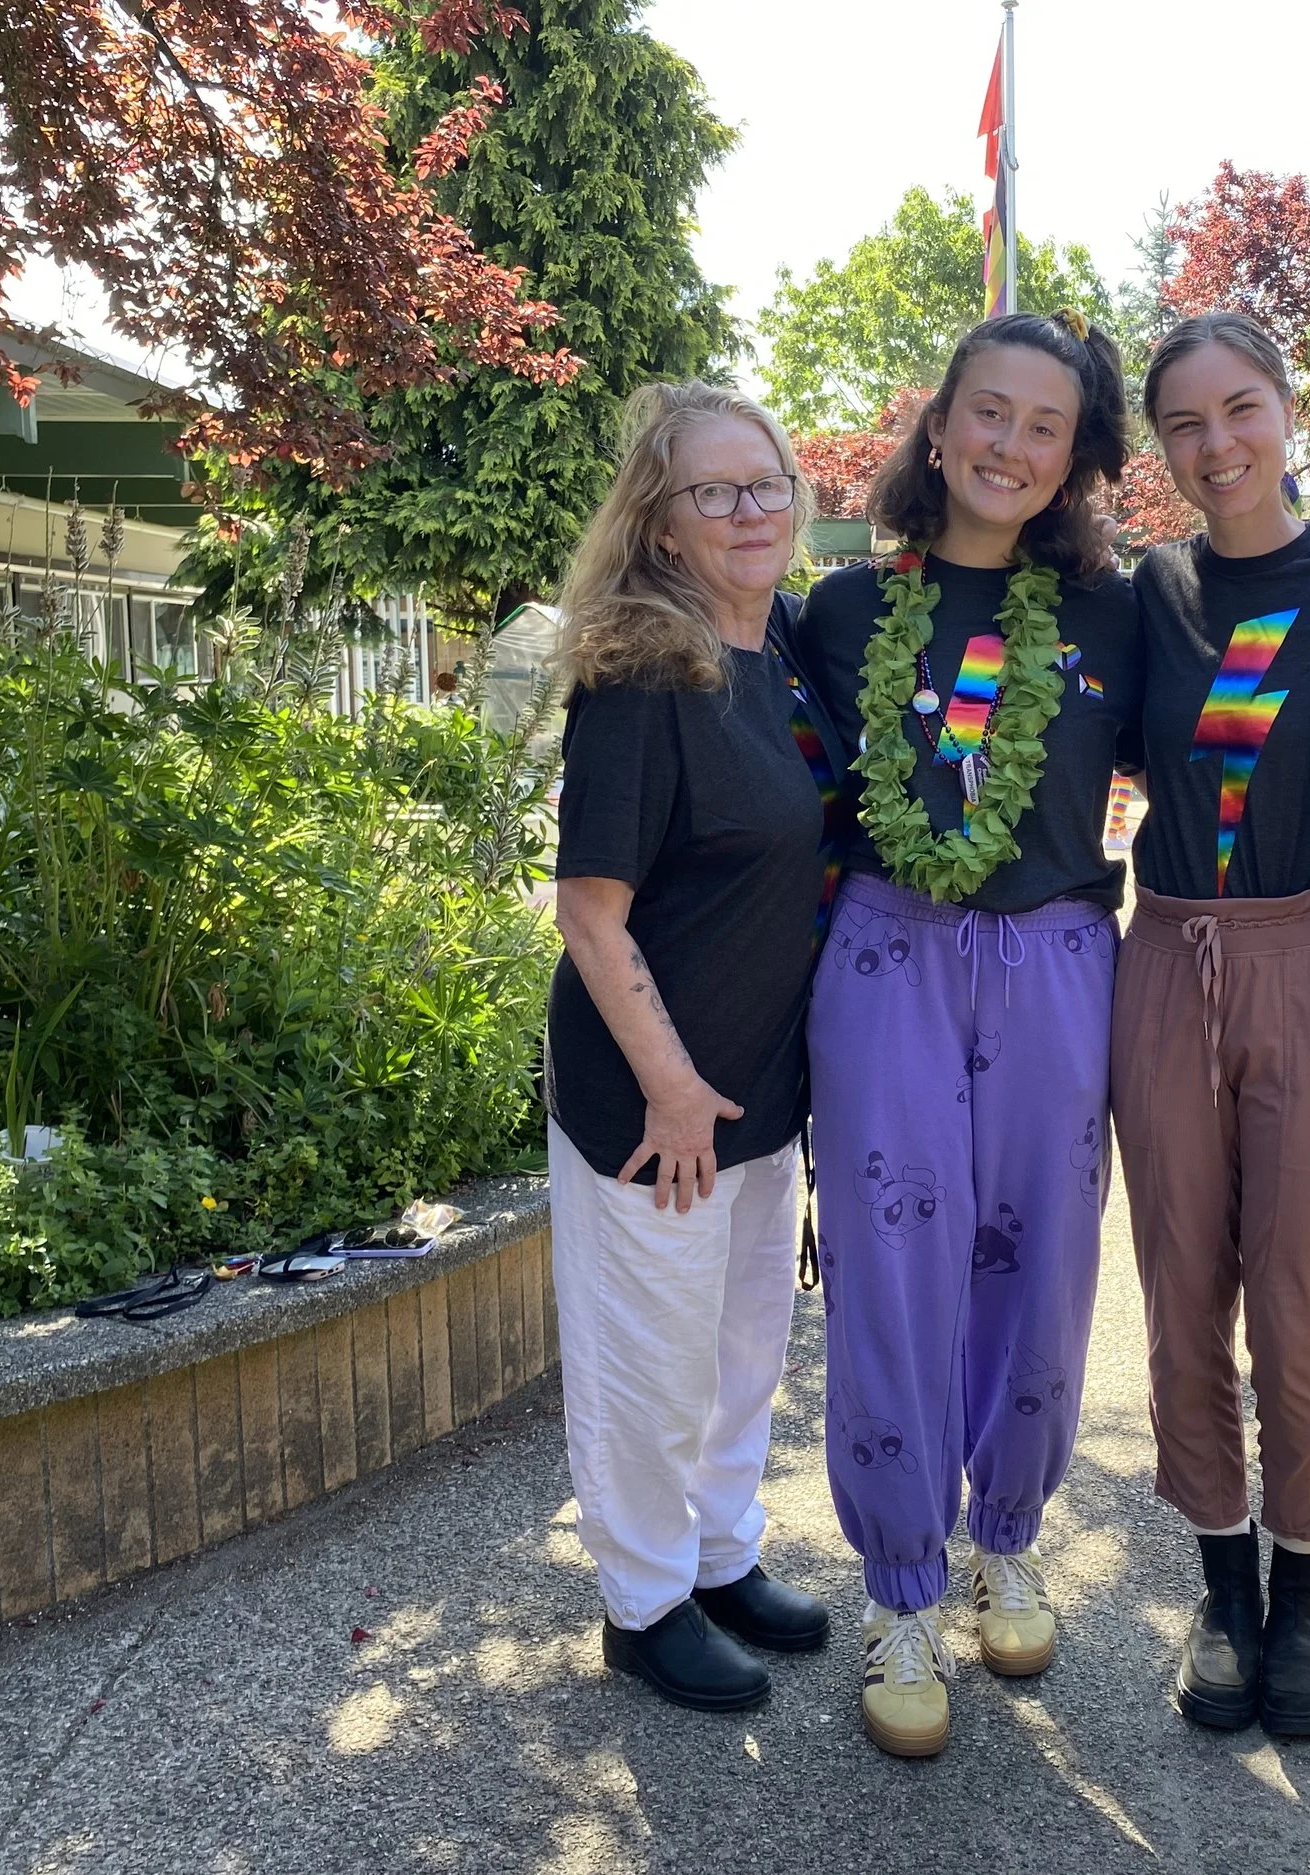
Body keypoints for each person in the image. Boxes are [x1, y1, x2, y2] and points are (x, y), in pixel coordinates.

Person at [792, 309, 1138, 1758]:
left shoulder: (1122, 618)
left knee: (1042, 1262)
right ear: (940, 430)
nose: (1008, 443)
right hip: (887, 955)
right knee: (891, 1265)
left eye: (1042, 424)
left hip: (1057, 955)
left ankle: (1006, 1530)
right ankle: (897, 1588)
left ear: (1075, 460)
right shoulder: (842, 615)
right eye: (985, 413)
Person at [1114, 312, 1310, 1738]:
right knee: (1184, 1290)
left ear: (1289, 413)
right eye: (1185, 423)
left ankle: (1308, 1589)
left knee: (1306, 1297)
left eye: (1241, 409)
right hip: (1169, 957)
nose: (1217, 444)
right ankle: (1221, 1588)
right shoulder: (1148, 592)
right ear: (1160, 447)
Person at [544, 381, 847, 1713]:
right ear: (662, 525)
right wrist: (669, 1086)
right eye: (715, 490)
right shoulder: (638, 672)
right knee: (647, 1364)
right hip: (652, 1099)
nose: (752, 508)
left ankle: (720, 1556)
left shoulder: (781, 642)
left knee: (739, 1356)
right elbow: (590, 913)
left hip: (761, 1091)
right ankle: (642, 1599)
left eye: (768, 480)